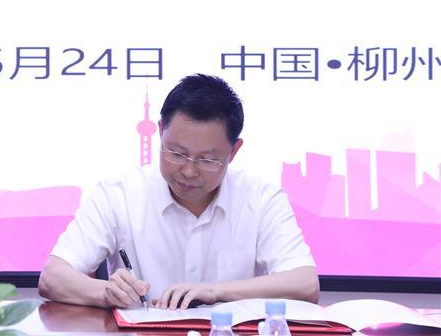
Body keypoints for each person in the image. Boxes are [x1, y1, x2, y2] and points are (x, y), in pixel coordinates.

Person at [38, 74, 319, 310]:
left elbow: (305, 284)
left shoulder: (262, 198)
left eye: (207, 159)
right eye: (176, 153)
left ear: (233, 151)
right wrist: (105, 292)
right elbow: (53, 277)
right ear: (160, 131)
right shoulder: (118, 195)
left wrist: (215, 291)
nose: (188, 171)